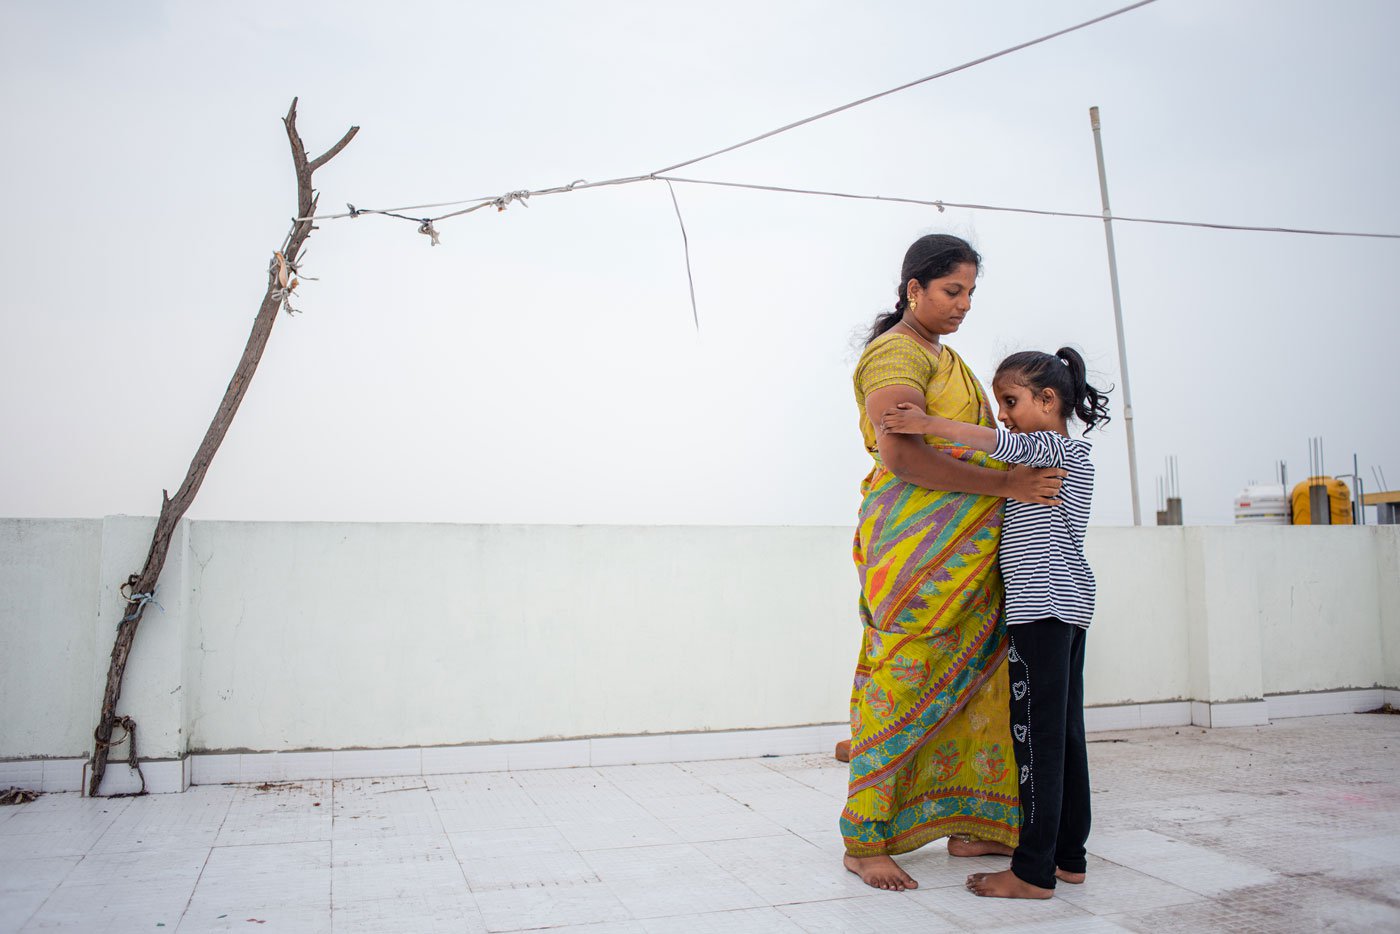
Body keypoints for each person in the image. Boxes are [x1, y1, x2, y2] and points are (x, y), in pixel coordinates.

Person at [841, 234, 1067, 892]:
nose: (963, 303)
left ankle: (971, 819)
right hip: (914, 555)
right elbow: (901, 457)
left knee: (980, 682)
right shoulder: (895, 354)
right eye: (951, 290)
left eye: (970, 292)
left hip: (969, 558)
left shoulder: (947, 358)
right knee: (903, 680)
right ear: (914, 289)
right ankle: (866, 837)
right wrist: (1006, 486)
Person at [880, 345, 1111, 899]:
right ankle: (1068, 858)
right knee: (1064, 735)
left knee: (1034, 739)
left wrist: (925, 422)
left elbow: (994, 441)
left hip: (1041, 610)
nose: (1002, 412)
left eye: (1010, 400)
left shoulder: (1047, 447)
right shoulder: (1071, 453)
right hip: (1068, 607)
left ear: (1048, 400)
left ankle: (1032, 873)